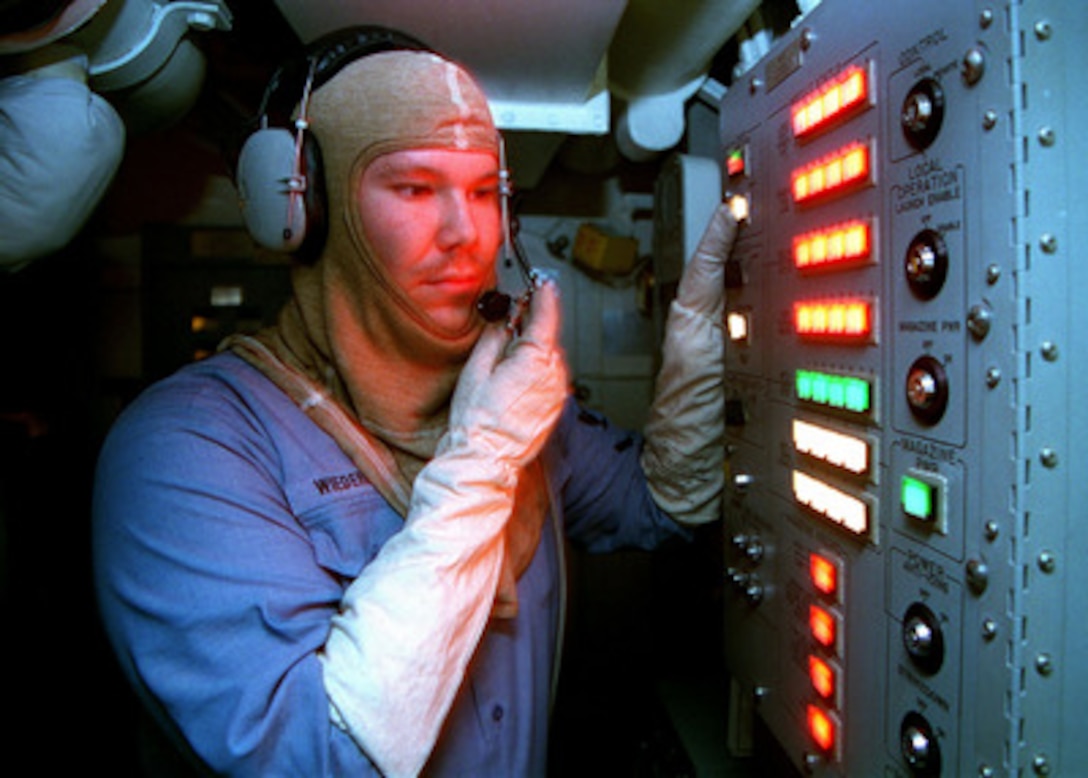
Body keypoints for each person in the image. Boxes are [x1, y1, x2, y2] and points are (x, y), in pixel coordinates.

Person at [92, 26, 740, 778]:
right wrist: (482, 461)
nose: (466, 235)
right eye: (414, 188)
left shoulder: (518, 407)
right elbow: (318, 758)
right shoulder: (185, 450)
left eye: (481, 192)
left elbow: (664, 503)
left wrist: (702, 344)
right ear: (301, 207)